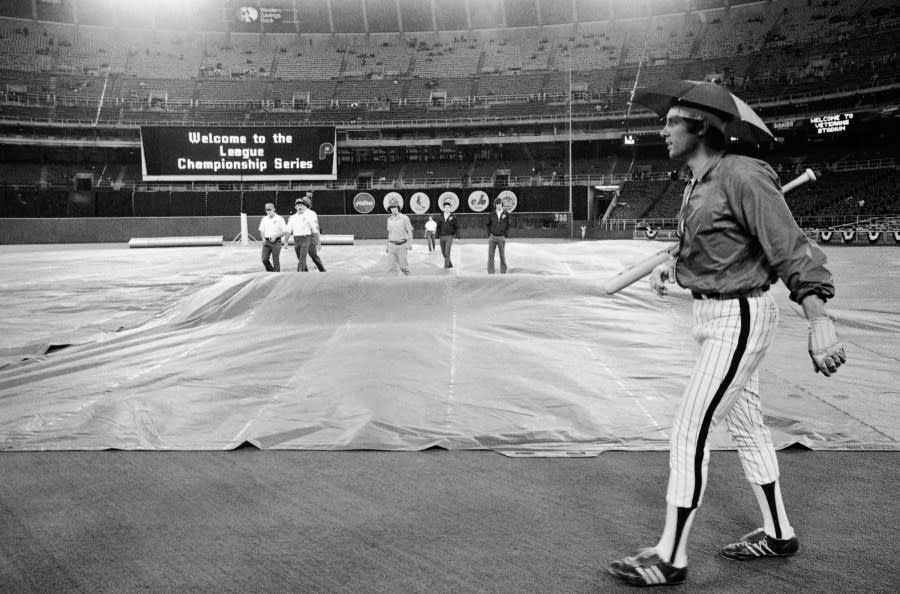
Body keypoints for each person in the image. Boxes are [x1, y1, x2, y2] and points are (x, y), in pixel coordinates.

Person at [608, 102, 846, 586]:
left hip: (739, 318)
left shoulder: (743, 174)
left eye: (673, 121)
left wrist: (818, 318)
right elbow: (714, 257)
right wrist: (670, 270)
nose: (664, 129)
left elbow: (790, 247)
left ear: (701, 127)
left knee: (688, 430)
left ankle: (670, 556)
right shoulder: (697, 183)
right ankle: (779, 532)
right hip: (714, 315)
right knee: (748, 427)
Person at [285, 195, 314, 272]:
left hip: (305, 239)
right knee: (300, 259)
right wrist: (286, 242)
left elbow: (314, 228)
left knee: (302, 259)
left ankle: (299, 274)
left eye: (301, 205)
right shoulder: (292, 218)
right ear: (295, 207)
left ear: (304, 207)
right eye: (298, 205)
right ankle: (306, 273)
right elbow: (288, 230)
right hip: (296, 240)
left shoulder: (309, 216)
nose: (300, 207)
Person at [385, 199, 414, 275]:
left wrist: (410, 244)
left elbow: (410, 232)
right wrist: (387, 246)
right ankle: (392, 285)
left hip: (402, 246)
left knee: (403, 267)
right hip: (392, 246)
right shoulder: (389, 219)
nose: (393, 209)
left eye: (395, 207)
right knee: (390, 268)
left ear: (398, 208)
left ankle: (411, 281)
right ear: (390, 209)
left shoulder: (405, 218)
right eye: (392, 207)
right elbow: (389, 233)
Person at [257, 202, 287, 272]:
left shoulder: (280, 219)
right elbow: (262, 230)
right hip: (266, 242)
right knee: (264, 259)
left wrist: (275, 236)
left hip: (276, 242)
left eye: (270, 209)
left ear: (274, 209)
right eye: (267, 209)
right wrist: (263, 239)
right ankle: (272, 273)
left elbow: (285, 231)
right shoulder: (264, 219)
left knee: (275, 260)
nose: (268, 211)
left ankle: (276, 276)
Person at [303, 193, 326, 272]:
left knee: (313, 255)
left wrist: (318, 241)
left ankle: (322, 270)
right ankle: (304, 272)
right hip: (301, 237)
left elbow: (316, 227)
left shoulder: (311, 213)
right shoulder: (299, 213)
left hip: (311, 237)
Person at [486, 198, 510, 274]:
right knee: (490, 255)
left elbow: (508, 225)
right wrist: (489, 233)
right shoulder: (491, 214)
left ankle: (503, 271)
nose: (498, 206)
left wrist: (506, 234)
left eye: (499, 204)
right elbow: (488, 224)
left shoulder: (506, 214)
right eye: (497, 204)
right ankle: (490, 271)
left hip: (501, 237)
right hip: (492, 237)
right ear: (495, 205)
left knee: (502, 255)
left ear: (502, 204)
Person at [436, 200, 459, 269]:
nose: (447, 208)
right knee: (443, 253)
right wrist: (437, 237)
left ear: (450, 208)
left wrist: (457, 237)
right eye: (445, 207)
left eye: (448, 207)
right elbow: (438, 227)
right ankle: (450, 264)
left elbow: (457, 227)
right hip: (441, 236)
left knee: (447, 252)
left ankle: (445, 268)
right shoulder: (440, 217)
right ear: (443, 208)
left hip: (450, 236)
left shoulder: (453, 217)